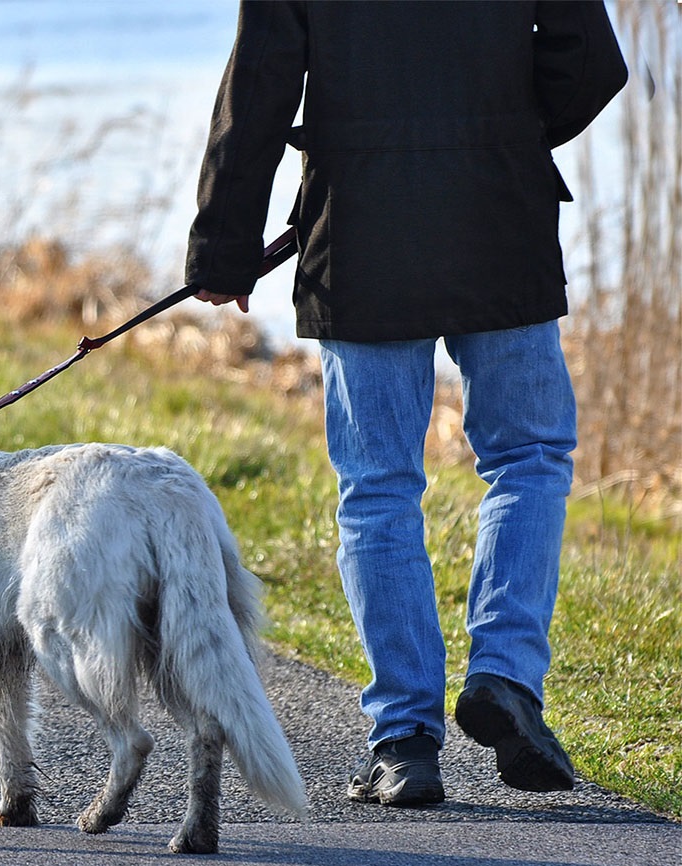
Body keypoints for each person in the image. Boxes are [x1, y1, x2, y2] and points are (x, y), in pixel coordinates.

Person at [186, 1, 627, 805]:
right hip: (502, 216)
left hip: (362, 233)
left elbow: (258, 87)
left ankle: (404, 742)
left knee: (379, 485)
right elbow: (592, 64)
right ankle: (505, 677)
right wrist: (504, 133)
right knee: (528, 458)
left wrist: (224, 245)